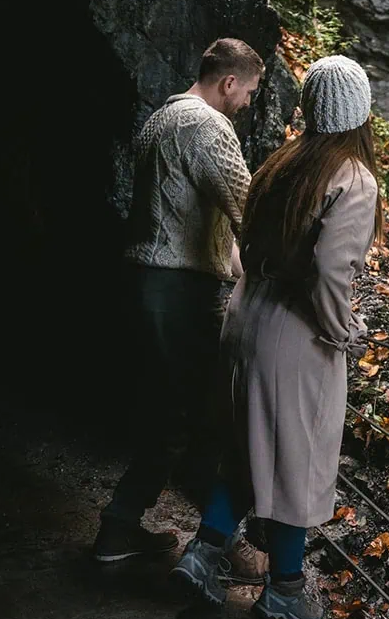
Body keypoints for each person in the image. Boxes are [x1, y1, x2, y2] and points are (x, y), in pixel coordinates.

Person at [170, 56, 382, 619]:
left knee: (246, 449)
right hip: (293, 335)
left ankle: (203, 552)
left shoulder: (283, 163)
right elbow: (332, 273)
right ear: (360, 112)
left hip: (245, 317)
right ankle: (286, 587)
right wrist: (341, 332)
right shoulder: (352, 179)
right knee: (298, 459)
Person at [91, 37, 268, 582]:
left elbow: (202, 223)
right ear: (229, 82)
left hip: (147, 283)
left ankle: (119, 529)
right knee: (207, 416)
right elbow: (248, 214)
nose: (248, 105)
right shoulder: (208, 128)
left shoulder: (161, 118)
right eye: (250, 92)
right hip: (181, 292)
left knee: (168, 413)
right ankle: (218, 543)